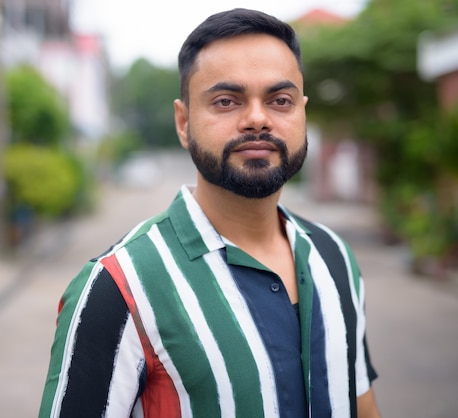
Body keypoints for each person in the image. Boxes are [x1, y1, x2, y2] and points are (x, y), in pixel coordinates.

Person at [39, 8, 380, 418]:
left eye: (280, 100)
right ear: (183, 123)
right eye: (226, 101)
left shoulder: (335, 258)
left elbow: (360, 406)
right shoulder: (118, 288)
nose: (257, 118)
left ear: (302, 113)